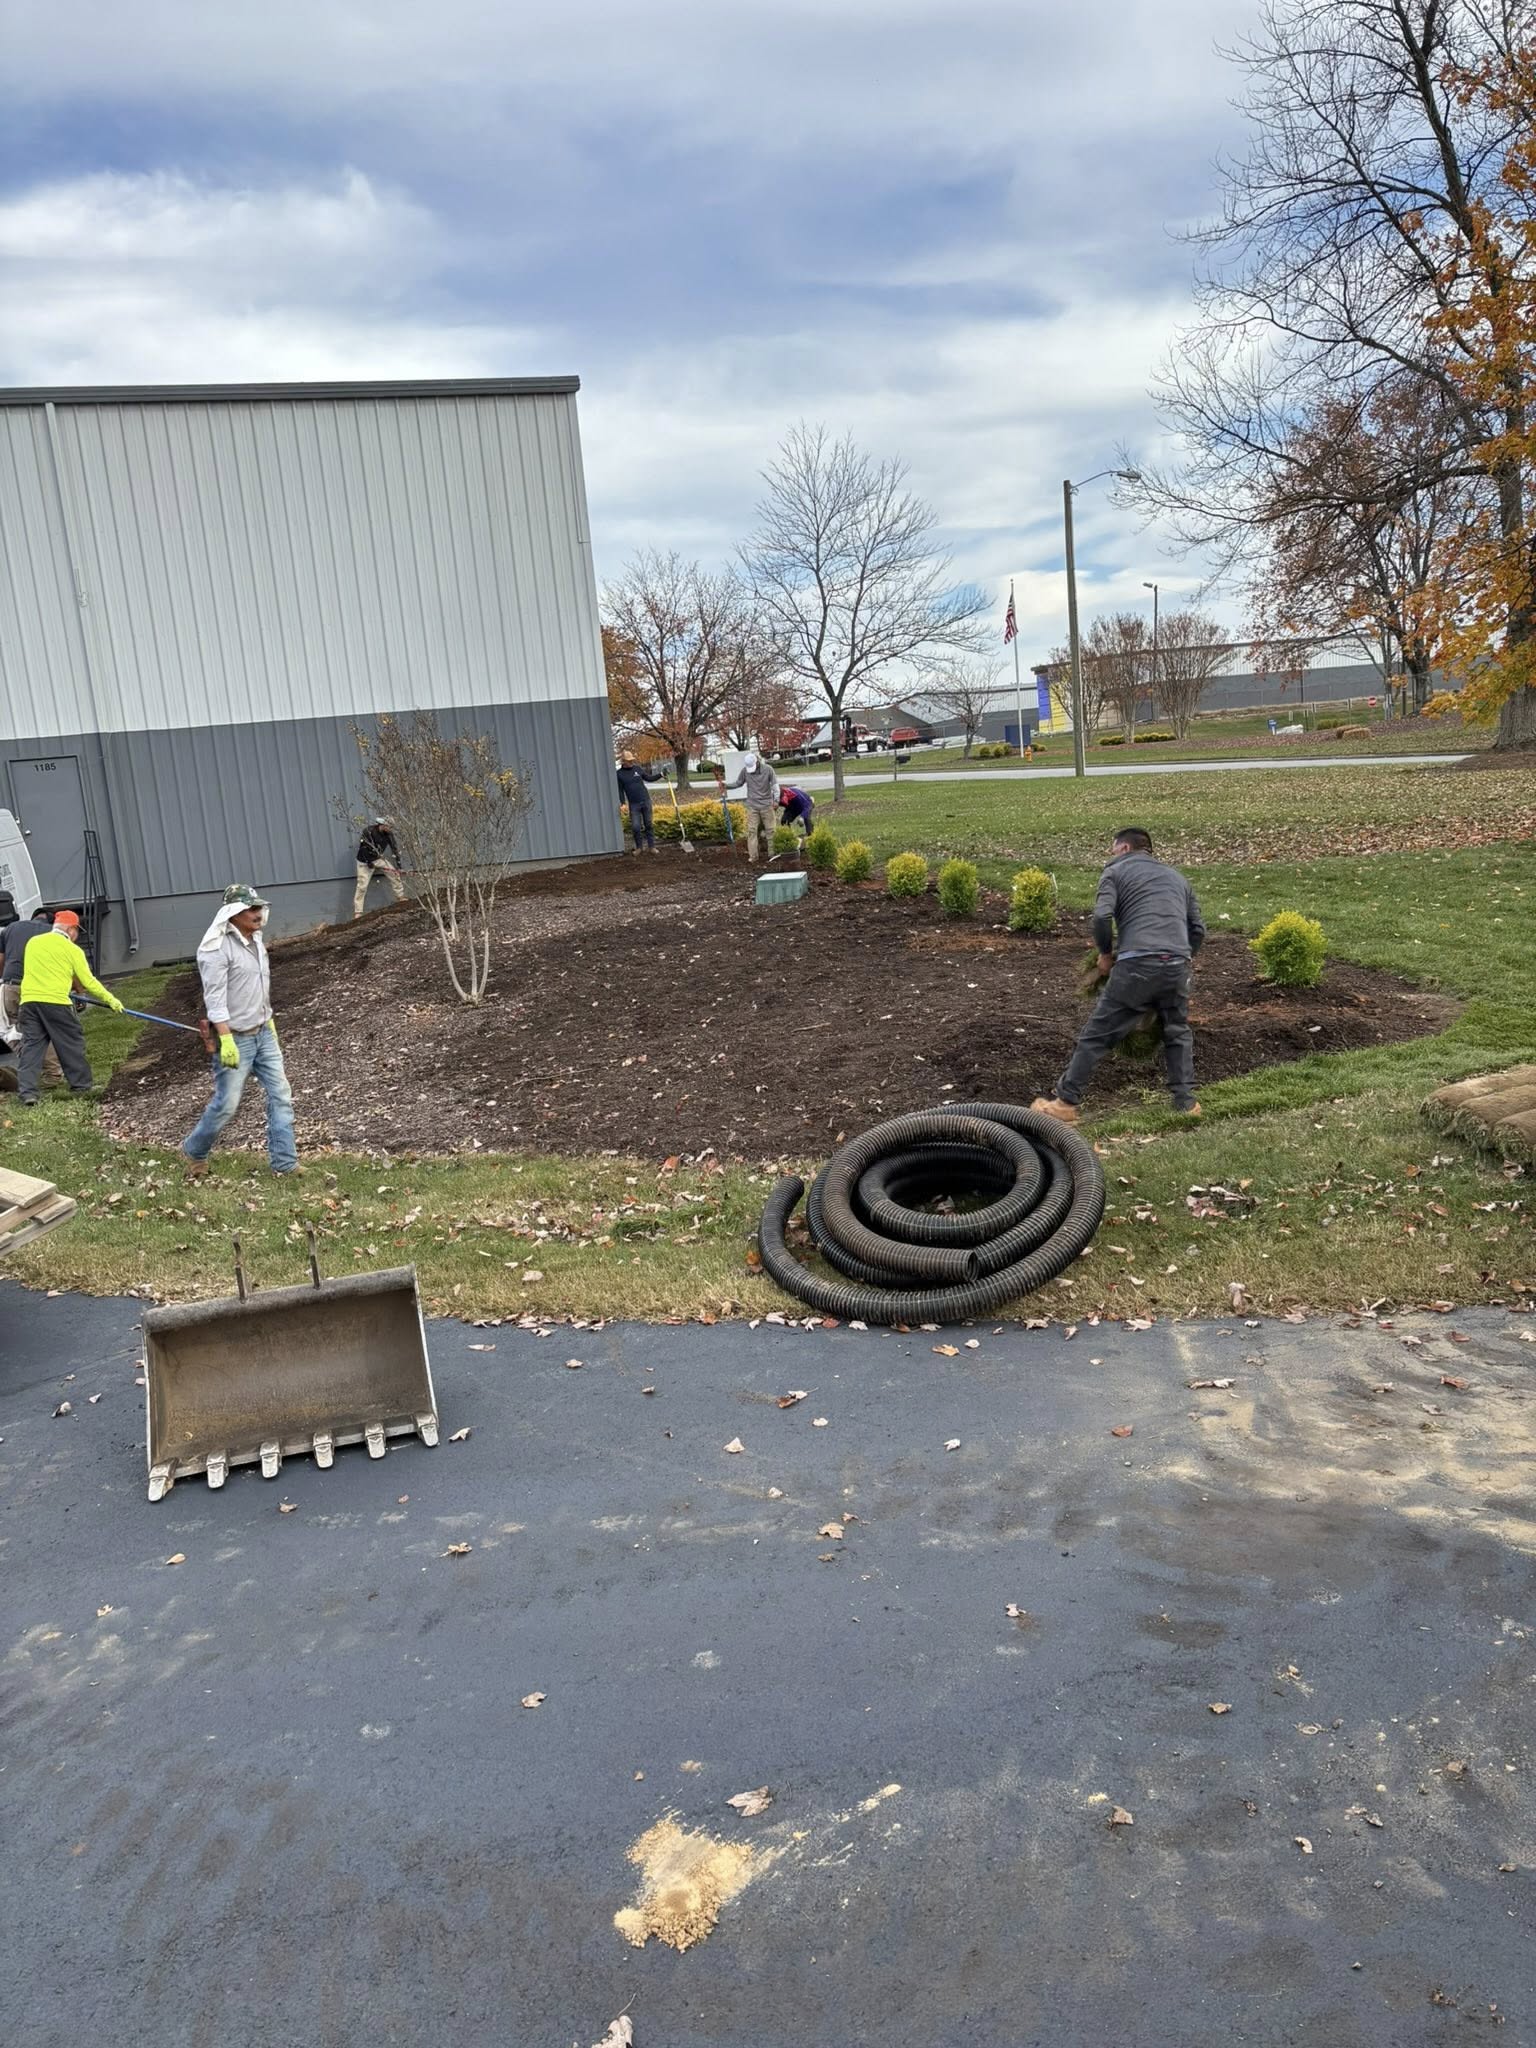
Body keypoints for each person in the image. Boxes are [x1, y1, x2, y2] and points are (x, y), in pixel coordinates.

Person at [1032, 827, 1205, 1124]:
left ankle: (1065, 1104)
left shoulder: (1115, 872)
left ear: (1124, 848)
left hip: (1136, 964)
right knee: (1177, 1032)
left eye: (1112, 849)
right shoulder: (1177, 878)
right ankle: (1186, 1104)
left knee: (1096, 1035)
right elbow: (1198, 930)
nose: (1110, 855)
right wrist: (1179, 957)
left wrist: (1104, 953)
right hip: (1178, 964)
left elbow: (1102, 917)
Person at [181, 884, 300, 1177]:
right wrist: (226, 1038)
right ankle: (195, 1150)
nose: (258, 913)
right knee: (227, 1104)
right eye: (251, 909)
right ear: (233, 913)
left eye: (259, 907)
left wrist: (269, 1023)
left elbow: (259, 989)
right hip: (234, 1038)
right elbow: (215, 998)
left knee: (281, 1095)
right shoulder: (216, 949)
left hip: (263, 1033)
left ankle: (285, 1163)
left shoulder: (256, 941)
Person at [15, 910, 123, 1104]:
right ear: (71, 929)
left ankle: (28, 1093)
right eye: (77, 931)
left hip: (29, 1002)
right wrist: (111, 999)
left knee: (32, 1046)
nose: (76, 936)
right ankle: (81, 1086)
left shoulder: (33, 942)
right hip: (56, 1002)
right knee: (70, 1043)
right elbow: (88, 981)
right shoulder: (72, 950)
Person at [727, 752, 780, 863]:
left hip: (767, 805)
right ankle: (753, 856)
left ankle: (772, 854)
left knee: (771, 830)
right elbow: (738, 783)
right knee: (752, 831)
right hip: (752, 806)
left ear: (757, 761)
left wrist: (776, 800)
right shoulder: (745, 771)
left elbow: (775, 786)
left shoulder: (768, 769)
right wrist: (726, 786)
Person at [353, 817, 406, 918]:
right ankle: (358, 912)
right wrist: (368, 862)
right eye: (389, 827)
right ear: (383, 825)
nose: (391, 829)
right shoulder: (369, 831)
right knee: (362, 886)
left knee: (394, 874)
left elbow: (394, 849)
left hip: (378, 858)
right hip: (364, 860)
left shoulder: (389, 834)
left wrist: (399, 866)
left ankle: (400, 897)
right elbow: (363, 848)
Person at [616, 754, 657, 853]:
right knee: (636, 827)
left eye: (632, 760)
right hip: (634, 804)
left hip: (646, 800)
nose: (631, 762)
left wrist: (661, 774)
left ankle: (652, 847)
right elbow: (620, 790)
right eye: (629, 761)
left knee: (649, 824)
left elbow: (649, 778)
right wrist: (623, 803)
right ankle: (639, 847)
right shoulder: (619, 774)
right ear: (623, 761)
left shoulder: (637, 769)